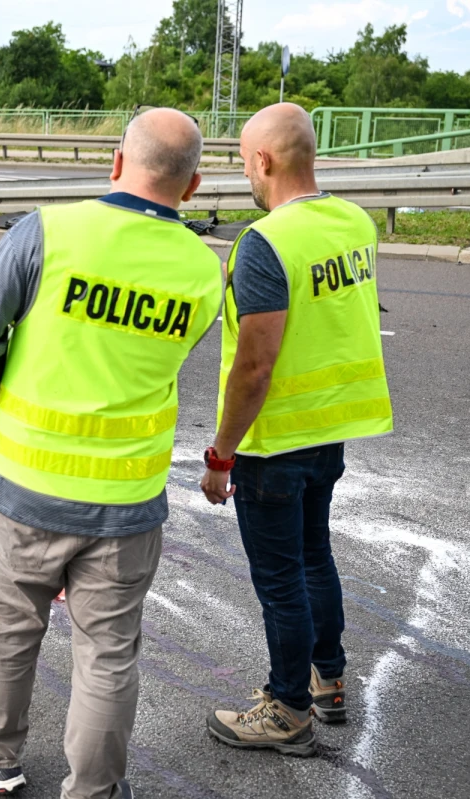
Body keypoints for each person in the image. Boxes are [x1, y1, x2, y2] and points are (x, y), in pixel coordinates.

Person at [0, 108, 223, 799]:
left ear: (117, 162)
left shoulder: (49, 230)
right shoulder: (204, 268)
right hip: (128, 499)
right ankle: (94, 789)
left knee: (9, 630)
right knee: (108, 653)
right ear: (192, 188)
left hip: (28, 486)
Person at [199, 103, 393, 756]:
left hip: (275, 439)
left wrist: (220, 454)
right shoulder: (353, 222)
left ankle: (287, 707)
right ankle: (328, 679)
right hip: (331, 427)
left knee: (281, 576)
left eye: (243, 161)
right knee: (314, 555)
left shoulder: (266, 242)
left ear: (263, 160)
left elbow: (254, 365)